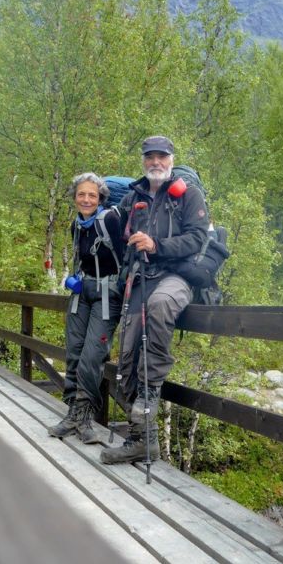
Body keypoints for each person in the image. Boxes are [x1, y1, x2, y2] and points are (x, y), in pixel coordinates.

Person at [100, 136, 209, 464]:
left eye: (162, 156)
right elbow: (118, 238)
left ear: (172, 159)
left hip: (176, 277)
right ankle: (142, 439)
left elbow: (198, 237)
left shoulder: (188, 194)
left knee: (160, 307)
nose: (156, 162)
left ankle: (148, 396)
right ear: (143, 160)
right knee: (128, 353)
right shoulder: (133, 196)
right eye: (150, 157)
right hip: (140, 278)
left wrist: (156, 245)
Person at [47, 173, 124, 443]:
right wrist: (74, 278)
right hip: (82, 294)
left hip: (107, 296)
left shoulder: (111, 220)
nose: (87, 199)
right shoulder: (76, 225)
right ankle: (73, 413)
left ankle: (85, 417)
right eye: (82, 194)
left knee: (93, 356)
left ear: (101, 197)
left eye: (92, 195)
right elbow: (82, 259)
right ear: (75, 197)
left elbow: (125, 258)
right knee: (74, 352)